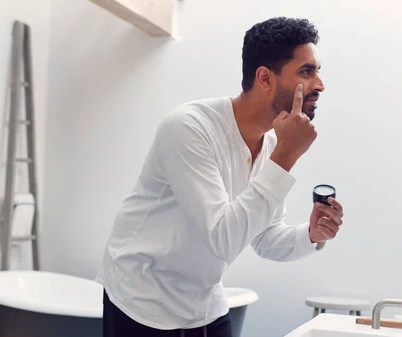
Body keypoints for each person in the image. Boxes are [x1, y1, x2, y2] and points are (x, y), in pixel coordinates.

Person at [97, 16, 345, 337]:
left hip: (204, 302)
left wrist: (312, 234)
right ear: (265, 78)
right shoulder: (188, 128)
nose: (320, 85)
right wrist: (287, 155)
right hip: (143, 302)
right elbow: (223, 240)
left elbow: (265, 237)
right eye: (307, 72)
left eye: (318, 72)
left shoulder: (272, 142)